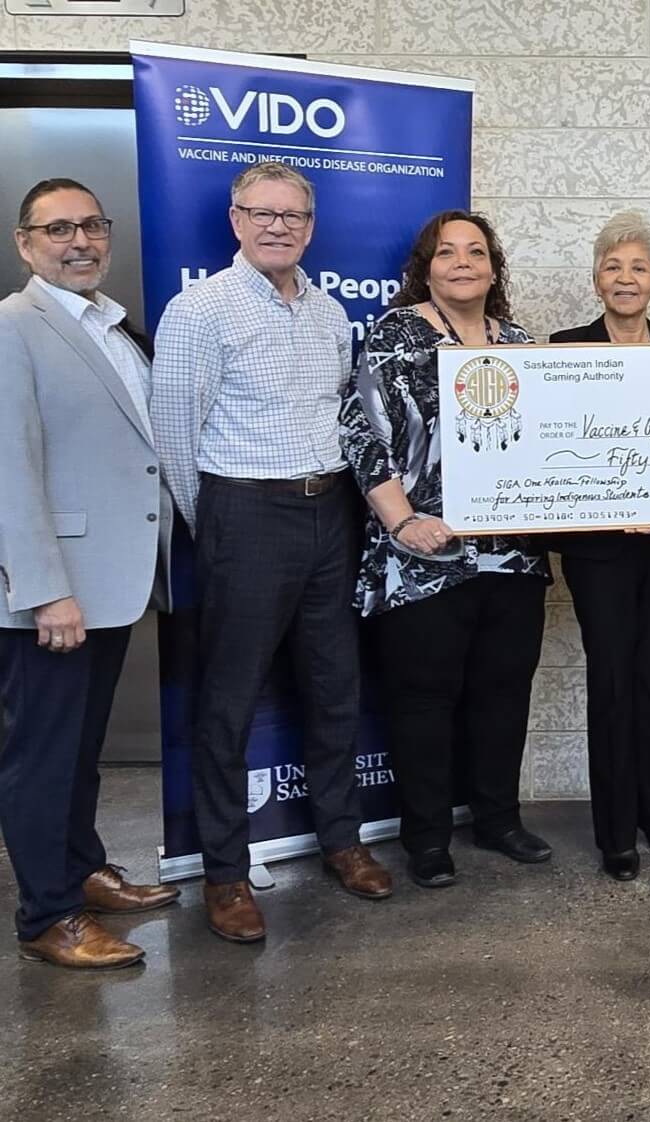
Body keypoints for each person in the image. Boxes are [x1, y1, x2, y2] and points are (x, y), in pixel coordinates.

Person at [152, 162, 392, 943]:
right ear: (235, 220)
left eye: (292, 215)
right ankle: (225, 874)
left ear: (311, 226)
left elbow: (343, 418)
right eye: (261, 213)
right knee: (228, 702)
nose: (277, 226)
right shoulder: (200, 311)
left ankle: (342, 841)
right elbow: (175, 443)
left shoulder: (326, 314)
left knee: (334, 688)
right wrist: (221, 525)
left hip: (332, 514)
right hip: (245, 514)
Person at [340, 210, 553, 890]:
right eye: (447, 252)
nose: (462, 262)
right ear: (425, 266)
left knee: (502, 692)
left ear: (494, 267)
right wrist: (403, 523)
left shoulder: (517, 342)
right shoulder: (393, 334)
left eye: (476, 251)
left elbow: (548, 441)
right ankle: (428, 838)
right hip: (421, 556)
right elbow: (361, 434)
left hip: (511, 556)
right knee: (423, 701)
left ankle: (497, 819)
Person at [0, 178, 180, 969]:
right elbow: (9, 469)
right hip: (58, 591)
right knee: (42, 756)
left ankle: (82, 870)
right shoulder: (14, 327)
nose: (80, 241)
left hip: (111, 582)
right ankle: (48, 916)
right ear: (25, 243)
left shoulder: (111, 324)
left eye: (92, 226)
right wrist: (45, 589)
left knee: (80, 749)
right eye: (59, 229)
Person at [549, 212, 650, 882]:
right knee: (610, 677)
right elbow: (554, 451)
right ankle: (615, 831)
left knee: (649, 678)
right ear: (595, 277)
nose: (625, 278)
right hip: (597, 550)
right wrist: (617, 509)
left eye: (638, 267)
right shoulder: (562, 350)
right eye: (613, 266)